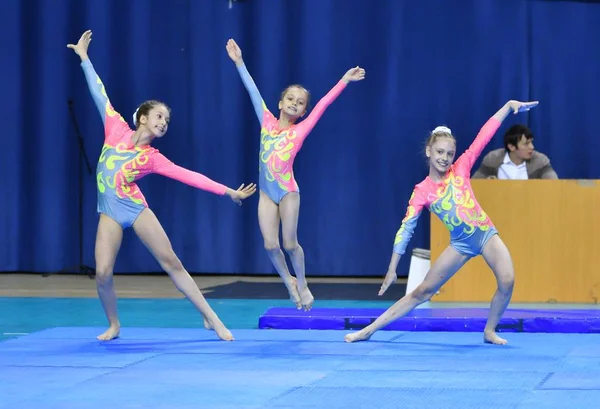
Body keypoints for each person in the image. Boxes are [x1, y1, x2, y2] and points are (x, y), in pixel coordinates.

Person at [68, 30, 256, 341]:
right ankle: (114, 324)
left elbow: (189, 175)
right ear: (142, 117)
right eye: (159, 116)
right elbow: (99, 93)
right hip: (109, 212)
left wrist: (228, 191)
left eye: (167, 121)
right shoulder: (114, 127)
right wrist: (85, 59)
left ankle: (212, 318)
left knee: (170, 261)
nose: (163, 122)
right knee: (102, 273)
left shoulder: (152, 158)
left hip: (135, 208)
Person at [344, 100, 539, 345]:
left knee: (507, 280)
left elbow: (484, 135)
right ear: (429, 151)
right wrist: (393, 267)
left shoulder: (462, 168)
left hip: (486, 234)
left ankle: (490, 330)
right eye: (439, 152)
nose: (445, 158)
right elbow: (406, 229)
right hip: (460, 244)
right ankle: (369, 330)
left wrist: (508, 106)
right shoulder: (422, 191)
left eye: (449, 154)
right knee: (422, 292)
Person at [225, 38, 365, 311]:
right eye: (290, 99)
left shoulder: (299, 130)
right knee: (269, 245)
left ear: (303, 112)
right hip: (267, 193)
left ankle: (302, 282)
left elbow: (323, 104)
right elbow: (252, 90)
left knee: (289, 243)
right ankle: (288, 283)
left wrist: (344, 81)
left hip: (288, 191)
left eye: (300, 103)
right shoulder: (266, 120)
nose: (294, 104)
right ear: (280, 102)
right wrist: (239, 62)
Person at [472, 124, 558, 180]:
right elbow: (474, 185)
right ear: (512, 147)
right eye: (526, 144)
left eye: (531, 142)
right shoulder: (492, 159)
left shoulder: (540, 161)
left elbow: (554, 185)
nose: (532, 147)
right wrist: (486, 183)